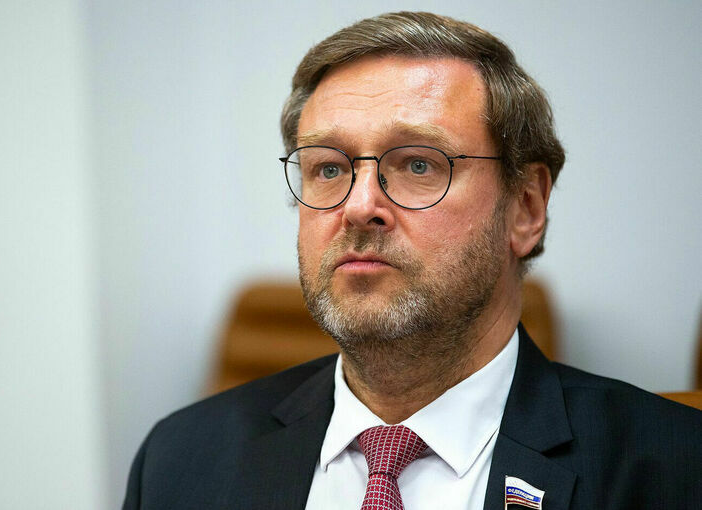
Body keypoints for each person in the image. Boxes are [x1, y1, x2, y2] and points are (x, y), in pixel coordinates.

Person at [123, 12, 701, 509]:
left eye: (419, 164)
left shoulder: (675, 468)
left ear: (525, 208)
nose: (358, 207)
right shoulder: (180, 460)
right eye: (329, 168)